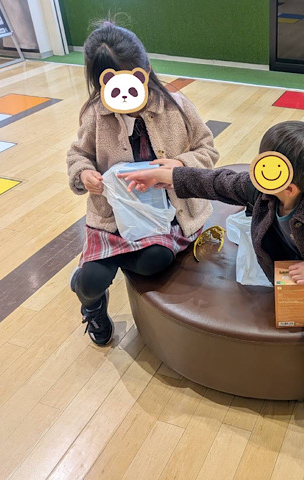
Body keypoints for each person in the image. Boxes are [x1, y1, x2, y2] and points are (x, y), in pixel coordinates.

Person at [119, 121, 304, 480]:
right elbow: (219, 182)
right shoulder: (263, 192)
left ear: (290, 185)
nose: (257, 170)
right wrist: (166, 176)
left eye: (269, 165)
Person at [66, 21, 218, 346]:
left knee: (155, 261)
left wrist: (180, 165)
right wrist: (84, 174)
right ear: (101, 83)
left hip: (165, 214)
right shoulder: (95, 115)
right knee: (90, 282)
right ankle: (93, 303)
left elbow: (207, 149)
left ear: (145, 71)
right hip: (112, 218)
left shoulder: (175, 105)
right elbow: (78, 154)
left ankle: (111, 260)